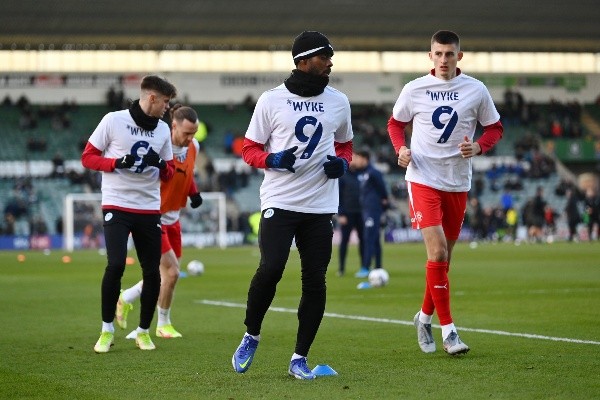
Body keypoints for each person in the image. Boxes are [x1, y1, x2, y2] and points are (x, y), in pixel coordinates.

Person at [231, 31, 353, 380]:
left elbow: (345, 146)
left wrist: (341, 164)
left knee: (315, 281)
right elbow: (249, 150)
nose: (331, 62)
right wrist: (273, 159)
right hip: (280, 200)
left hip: (320, 205)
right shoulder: (271, 100)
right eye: (324, 56)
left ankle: (299, 357)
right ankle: (251, 335)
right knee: (271, 268)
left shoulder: (339, 101)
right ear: (304, 61)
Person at [387, 30, 503, 355]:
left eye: (449, 54)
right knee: (437, 252)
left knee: (443, 260)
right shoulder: (414, 89)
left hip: (457, 182)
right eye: (438, 54)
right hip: (423, 178)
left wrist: (479, 146)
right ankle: (449, 332)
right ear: (430, 56)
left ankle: (423, 317)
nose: (443, 60)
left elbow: (495, 127)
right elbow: (395, 124)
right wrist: (401, 149)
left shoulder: (476, 90)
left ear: (459, 57)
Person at [82, 75, 177, 353]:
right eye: (166, 103)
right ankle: (106, 330)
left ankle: (144, 331)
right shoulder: (113, 120)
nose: (167, 108)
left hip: (148, 208)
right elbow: (88, 157)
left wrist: (159, 163)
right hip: (117, 205)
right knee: (115, 265)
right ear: (152, 98)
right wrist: (115, 163)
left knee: (152, 272)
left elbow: (170, 173)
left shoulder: (161, 130)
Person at [116, 104, 203, 340]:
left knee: (167, 275)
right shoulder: (159, 146)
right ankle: (158, 325)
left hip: (174, 219)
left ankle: (126, 298)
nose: (190, 138)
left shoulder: (193, 146)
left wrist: (192, 192)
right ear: (173, 125)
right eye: (187, 133)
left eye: (194, 133)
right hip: (151, 218)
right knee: (172, 272)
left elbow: (188, 173)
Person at [352, 149, 389, 278]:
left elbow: (383, 192)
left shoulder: (374, 173)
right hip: (367, 210)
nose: (355, 161)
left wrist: (382, 206)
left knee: (368, 238)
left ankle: (366, 267)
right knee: (374, 239)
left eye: (357, 158)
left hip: (373, 210)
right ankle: (378, 266)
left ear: (364, 159)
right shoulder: (365, 173)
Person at [337, 153, 364, 277]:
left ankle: (365, 266)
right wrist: (341, 213)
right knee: (344, 241)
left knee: (363, 241)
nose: (356, 160)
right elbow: (338, 196)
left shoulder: (362, 174)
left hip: (361, 213)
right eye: (354, 157)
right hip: (347, 213)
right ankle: (341, 268)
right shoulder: (342, 175)